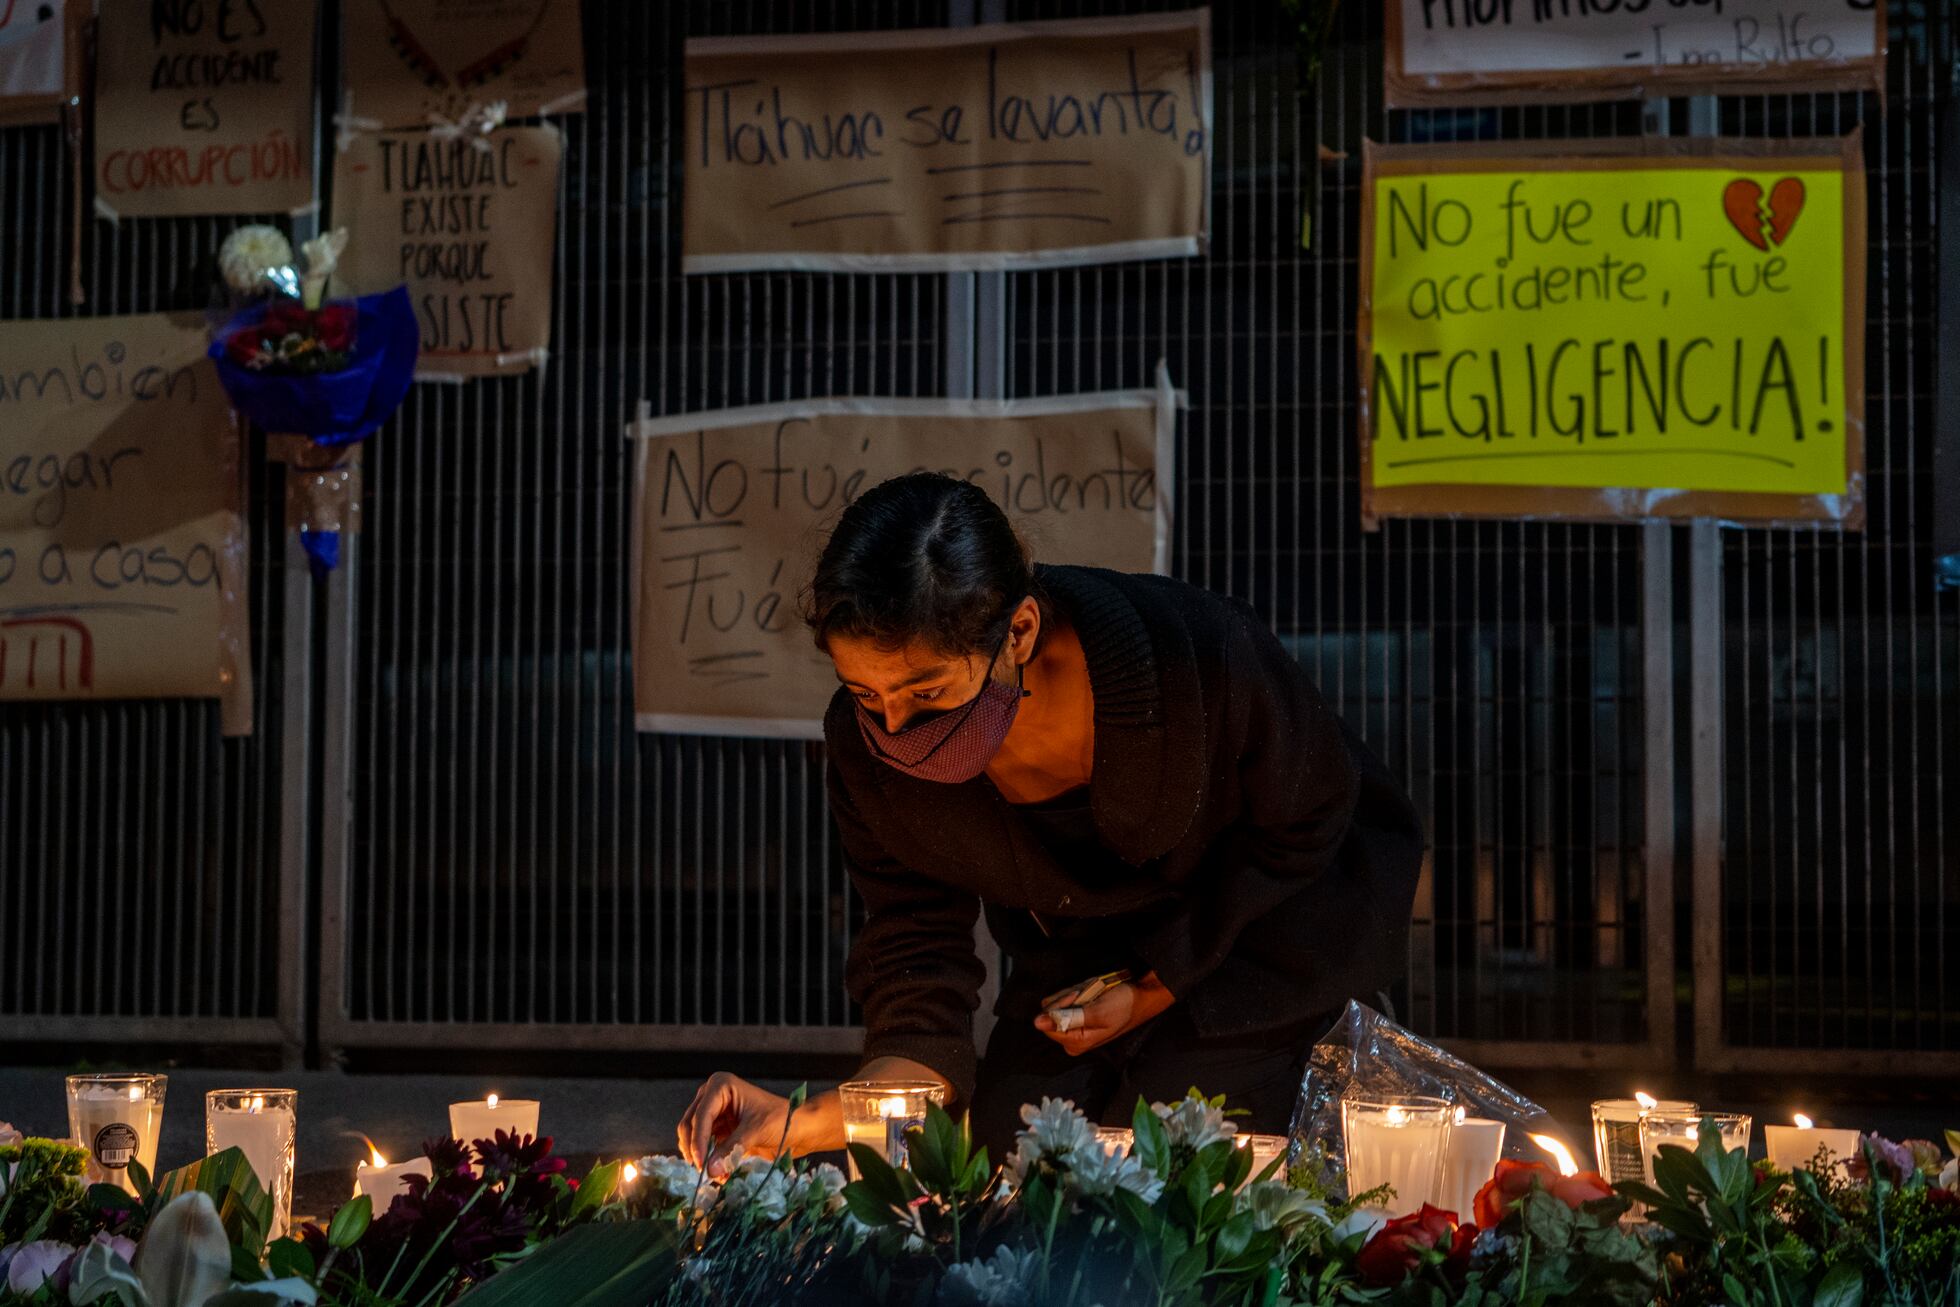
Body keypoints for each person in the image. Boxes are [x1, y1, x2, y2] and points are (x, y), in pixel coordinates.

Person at [678, 473, 1421, 1169]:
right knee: (1016, 1154)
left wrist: (1157, 986)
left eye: (926, 691)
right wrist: (801, 1123)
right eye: (866, 694)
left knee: (1158, 1160)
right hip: (1076, 980)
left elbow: (1312, 823)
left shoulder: (1197, 659)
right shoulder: (869, 754)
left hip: (1262, 945)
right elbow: (916, 960)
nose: (897, 727)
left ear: (1021, 631)